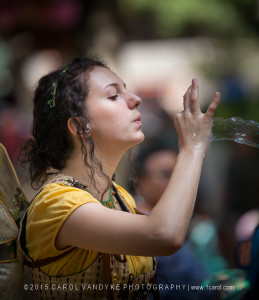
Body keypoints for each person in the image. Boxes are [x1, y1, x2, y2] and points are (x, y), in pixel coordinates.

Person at [20, 57, 220, 299]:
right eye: (114, 96)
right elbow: (164, 234)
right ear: (80, 127)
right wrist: (192, 148)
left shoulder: (120, 196)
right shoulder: (55, 204)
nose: (136, 99)